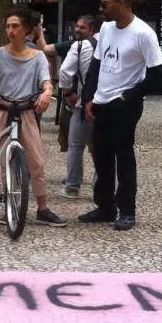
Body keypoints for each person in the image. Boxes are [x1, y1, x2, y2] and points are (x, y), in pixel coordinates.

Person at [0, 5, 68, 228]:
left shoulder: (38, 57)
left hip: (26, 111)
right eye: (8, 26)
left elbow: (46, 82)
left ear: (26, 30)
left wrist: (46, 93)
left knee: (36, 161)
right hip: (1, 110)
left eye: (15, 26)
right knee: (6, 162)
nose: (11, 30)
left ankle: (42, 208)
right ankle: (9, 206)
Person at [80, 0, 162, 231]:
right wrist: (89, 97)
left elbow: (159, 74)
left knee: (124, 157)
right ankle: (105, 207)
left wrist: (129, 95)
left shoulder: (143, 33)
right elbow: (96, 65)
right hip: (101, 102)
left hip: (125, 105)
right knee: (101, 156)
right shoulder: (106, 29)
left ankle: (127, 210)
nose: (101, 8)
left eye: (105, 4)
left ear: (122, 3)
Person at [56, 16, 98, 199]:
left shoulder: (80, 46)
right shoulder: (107, 44)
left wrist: (67, 94)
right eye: (77, 26)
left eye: (82, 27)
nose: (78, 30)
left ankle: (72, 187)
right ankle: (101, 187)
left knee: (75, 146)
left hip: (82, 105)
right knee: (103, 147)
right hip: (106, 104)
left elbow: (65, 71)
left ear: (92, 28)